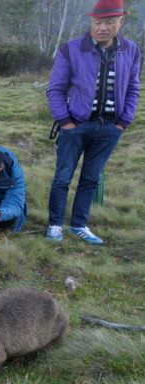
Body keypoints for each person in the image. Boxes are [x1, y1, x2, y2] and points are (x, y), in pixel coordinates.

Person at [46, 0, 140, 245]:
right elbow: (55, 89)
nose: (102, 27)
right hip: (74, 126)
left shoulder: (131, 50)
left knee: (90, 178)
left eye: (109, 22)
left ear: (121, 21)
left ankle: (79, 225)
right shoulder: (71, 49)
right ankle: (55, 225)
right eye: (98, 22)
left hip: (109, 128)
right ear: (91, 22)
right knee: (62, 177)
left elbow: (133, 88)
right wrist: (65, 121)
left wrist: (123, 122)